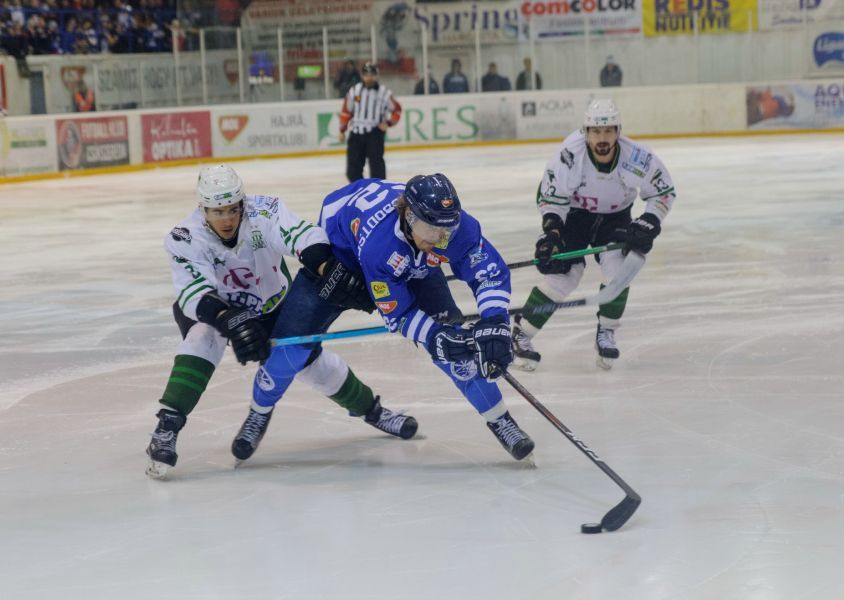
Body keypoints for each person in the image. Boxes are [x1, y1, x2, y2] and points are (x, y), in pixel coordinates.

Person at [145, 164, 416, 478]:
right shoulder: (184, 237)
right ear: (202, 209)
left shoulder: (263, 211)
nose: (228, 218)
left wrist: (328, 267)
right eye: (218, 212)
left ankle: (373, 410)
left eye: (233, 209)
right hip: (216, 311)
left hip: (274, 307)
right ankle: (167, 427)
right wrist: (229, 319)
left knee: (314, 366)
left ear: (242, 203)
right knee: (203, 337)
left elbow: (301, 234)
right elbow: (193, 293)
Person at [243, 174, 535, 461]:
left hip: (408, 265)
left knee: (457, 352)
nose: (440, 238)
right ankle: (259, 412)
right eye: (430, 229)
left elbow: (489, 273)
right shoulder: (380, 246)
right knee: (287, 348)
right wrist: (434, 337)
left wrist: (495, 321)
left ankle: (500, 420)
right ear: (408, 216)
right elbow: (400, 312)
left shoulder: (450, 227)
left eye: (445, 230)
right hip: (342, 259)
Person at [511, 99, 676, 370]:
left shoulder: (636, 157)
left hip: (615, 219)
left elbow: (663, 192)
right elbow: (550, 196)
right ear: (586, 132)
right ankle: (521, 334)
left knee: (618, 269)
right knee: (563, 275)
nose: (602, 138)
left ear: (618, 131)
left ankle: (607, 331)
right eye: (596, 132)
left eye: (609, 131)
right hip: (575, 216)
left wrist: (649, 220)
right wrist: (552, 233)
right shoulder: (569, 154)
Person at [338, 62, 402, 183]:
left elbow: (397, 110)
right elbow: (346, 111)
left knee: (377, 167)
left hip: (375, 133)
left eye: (372, 74)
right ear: (362, 76)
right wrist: (342, 130)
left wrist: (388, 123)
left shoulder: (384, 93)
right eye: (366, 74)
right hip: (356, 134)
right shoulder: (354, 91)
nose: (369, 77)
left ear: (376, 75)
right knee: (352, 170)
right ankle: (360, 192)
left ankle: (378, 192)